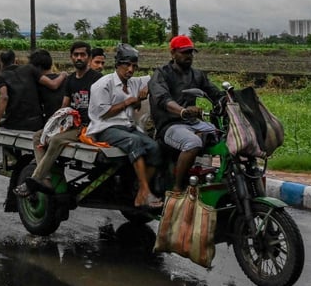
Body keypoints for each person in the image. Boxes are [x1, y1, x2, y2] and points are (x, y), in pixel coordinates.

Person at [18, 41, 103, 195]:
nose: (79, 58)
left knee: (56, 140)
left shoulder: (97, 79)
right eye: (76, 55)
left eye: (82, 55)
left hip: (87, 126)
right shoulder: (70, 80)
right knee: (39, 136)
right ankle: (47, 179)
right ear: (71, 57)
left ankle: (35, 180)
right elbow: (64, 106)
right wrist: (53, 126)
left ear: (89, 58)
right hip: (72, 124)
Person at [87, 43, 163, 209]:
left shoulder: (134, 82)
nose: (130, 69)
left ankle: (139, 190)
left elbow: (159, 74)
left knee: (155, 147)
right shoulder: (103, 84)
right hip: (105, 129)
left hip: (127, 128)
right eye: (126, 65)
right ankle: (144, 191)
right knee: (134, 142)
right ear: (117, 64)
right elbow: (103, 113)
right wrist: (128, 101)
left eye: (134, 66)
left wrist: (148, 87)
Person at [148, 35, 224, 192]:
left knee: (225, 138)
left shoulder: (197, 75)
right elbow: (163, 99)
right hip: (169, 125)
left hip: (192, 123)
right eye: (184, 52)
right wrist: (182, 111)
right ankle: (177, 187)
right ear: (173, 53)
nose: (188, 56)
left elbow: (215, 93)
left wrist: (232, 100)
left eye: (190, 52)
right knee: (192, 142)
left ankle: (224, 179)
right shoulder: (162, 73)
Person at [0, 49, 65, 135]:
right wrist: (63, 74)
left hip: (14, 123)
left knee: (5, 125)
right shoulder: (29, 69)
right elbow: (53, 85)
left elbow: (4, 97)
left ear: (1, 62)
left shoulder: (1, 77)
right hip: (36, 123)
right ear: (15, 60)